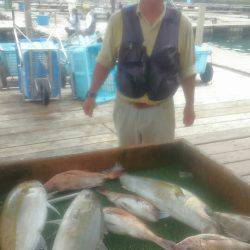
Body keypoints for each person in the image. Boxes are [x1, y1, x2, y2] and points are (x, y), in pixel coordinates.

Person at [83, 0, 196, 147]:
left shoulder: (182, 23)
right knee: (128, 162)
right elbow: (104, 61)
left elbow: (187, 69)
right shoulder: (118, 20)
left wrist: (190, 105)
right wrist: (91, 95)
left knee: (161, 162)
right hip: (126, 109)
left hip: (162, 110)